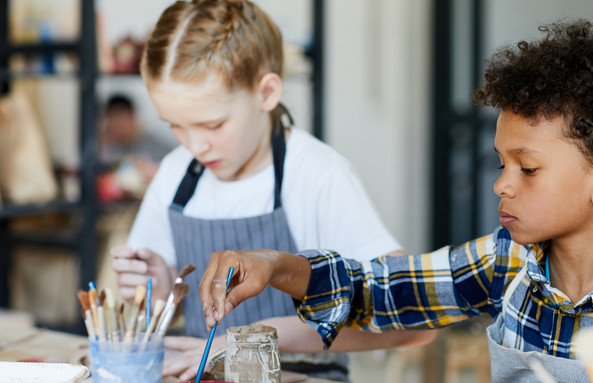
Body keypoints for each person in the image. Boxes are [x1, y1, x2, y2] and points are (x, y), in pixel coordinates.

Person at [199, 20, 593, 382]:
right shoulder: (504, 262)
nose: (502, 185)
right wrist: (273, 265)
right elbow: (373, 292)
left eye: (527, 169)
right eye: (501, 164)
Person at [109, 0, 435, 381]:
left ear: (266, 93)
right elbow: (168, 308)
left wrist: (247, 340)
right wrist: (165, 291)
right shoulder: (175, 174)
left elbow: (413, 323)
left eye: (212, 125)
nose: (195, 146)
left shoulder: (316, 175)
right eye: (175, 126)